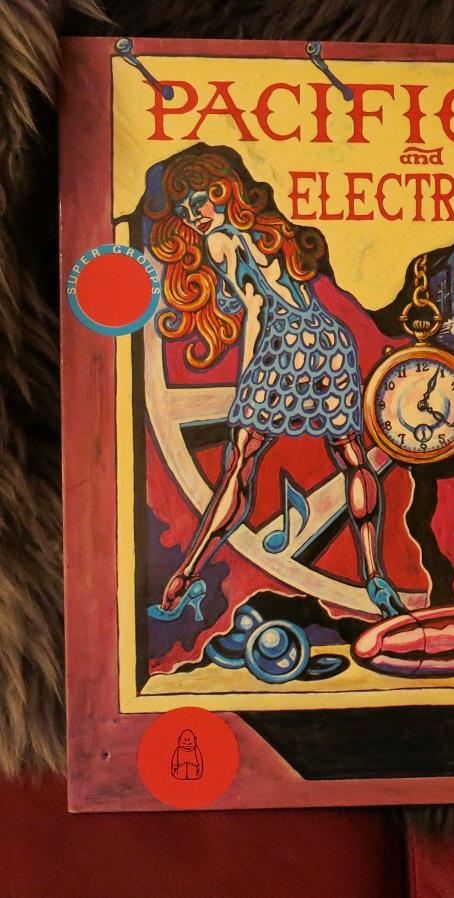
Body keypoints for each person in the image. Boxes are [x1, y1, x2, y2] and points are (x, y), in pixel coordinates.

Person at [145, 151, 404, 619]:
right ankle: (374, 572)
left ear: (222, 193)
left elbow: (257, 308)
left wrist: (247, 376)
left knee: (239, 465)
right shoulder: (264, 232)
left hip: (284, 343)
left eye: (199, 203)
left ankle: (188, 573)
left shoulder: (221, 240)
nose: (194, 216)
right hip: (329, 339)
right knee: (352, 457)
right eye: (185, 211)